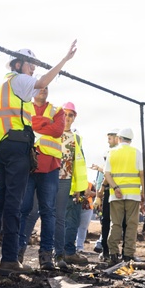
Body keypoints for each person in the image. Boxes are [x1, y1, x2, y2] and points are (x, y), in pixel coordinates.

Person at [0, 42, 77, 276]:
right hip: (15, 145)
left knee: (0, 201)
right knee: (14, 202)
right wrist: (63, 60)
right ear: (19, 64)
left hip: (1, 146)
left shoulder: (4, 85)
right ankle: (10, 259)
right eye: (31, 65)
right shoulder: (18, 80)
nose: (33, 69)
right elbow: (42, 83)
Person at [16, 86, 65, 271]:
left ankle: (46, 257)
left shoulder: (57, 110)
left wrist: (34, 125)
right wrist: (45, 124)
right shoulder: (24, 107)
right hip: (27, 166)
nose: (42, 90)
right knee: (24, 210)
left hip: (49, 167)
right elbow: (21, 128)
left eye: (46, 88)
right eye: (39, 87)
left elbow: (58, 130)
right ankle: (17, 253)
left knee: (48, 212)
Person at [57, 101, 91, 267]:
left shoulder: (77, 137)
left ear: (74, 117)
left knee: (72, 221)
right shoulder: (53, 133)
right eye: (65, 114)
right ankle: (57, 252)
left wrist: (80, 188)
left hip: (71, 185)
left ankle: (68, 252)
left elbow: (79, 163)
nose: (67, 118)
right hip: (55, 182)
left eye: (71, 115)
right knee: (57, 220)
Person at [104, 127, 144, 264]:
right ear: (131, 140)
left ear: (119, 138)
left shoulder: (112, 152)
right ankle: (128, 255)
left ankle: (113, 254)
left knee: (115, 224)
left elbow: (107, 173)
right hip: (133, 194)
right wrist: (143, 191)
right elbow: (142, 174)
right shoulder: (136, 152)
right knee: (132, 225)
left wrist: (115, 187)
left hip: (116, 195)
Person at [94, 128, 118, 261]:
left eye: (110, 138)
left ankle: (113, 251)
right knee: (106, 221)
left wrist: (101, 190)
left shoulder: (118, 153)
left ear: (117, 138)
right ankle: (106, 250)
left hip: (114, 190)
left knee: (119, 223)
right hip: (111, 191)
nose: (108, 141)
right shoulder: (109, 153)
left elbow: (108, 173)